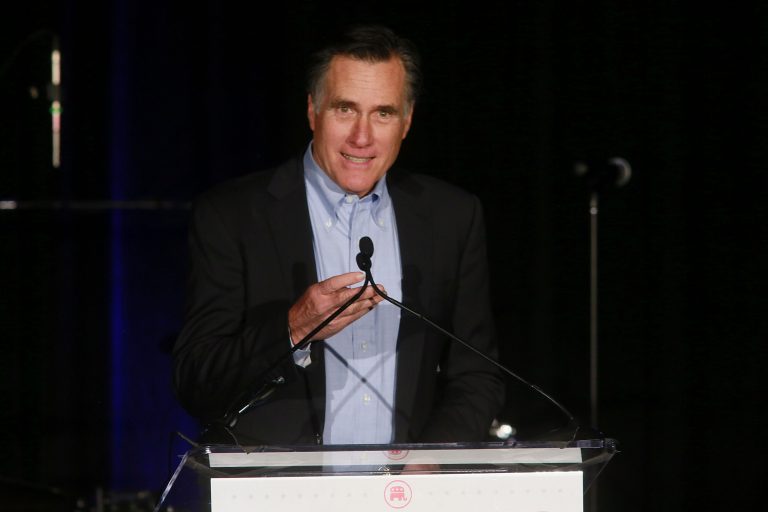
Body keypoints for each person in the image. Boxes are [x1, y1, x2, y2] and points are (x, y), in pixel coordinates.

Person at [172, 24, 505, 446]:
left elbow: (477, 375)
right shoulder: (233, 215)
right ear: (312, 110)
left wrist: (431, 461)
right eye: (345, 109)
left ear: (407, 121)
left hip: (402, 498)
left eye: (383, 113)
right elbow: (196, 382)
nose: (362, 137)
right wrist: (292, 329)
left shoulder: (451, 217)